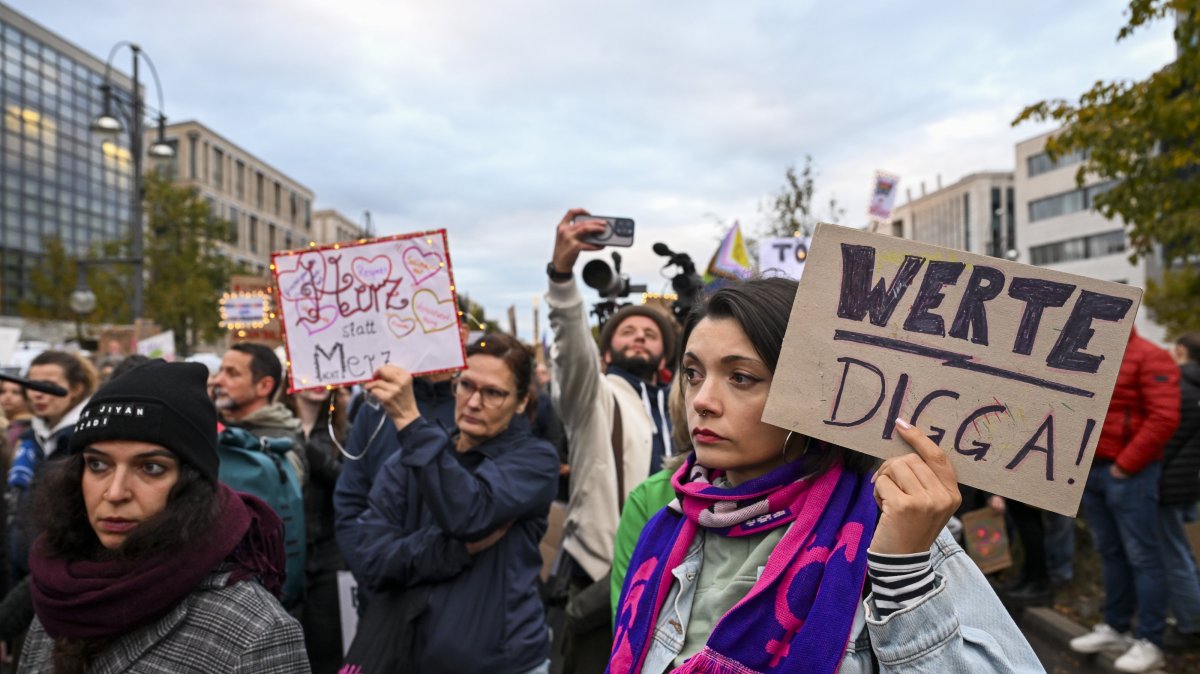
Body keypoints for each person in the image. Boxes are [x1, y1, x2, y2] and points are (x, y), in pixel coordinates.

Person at [608, 277, 1042, 673]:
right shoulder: (668, 526)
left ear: (811, 392)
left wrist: (903, 576)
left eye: (741, 377)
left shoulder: (892, 532)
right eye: (692, 373)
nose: (702, 399)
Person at [17, 359, 309, 673]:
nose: (115, 492)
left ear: (191, 483)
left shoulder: (255, 629)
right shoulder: (59, 593)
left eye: (151, 468)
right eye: (98, 465)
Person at [349, 333, 559, 673]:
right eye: (466, 385)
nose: (474, 402)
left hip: (501, 664)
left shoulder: (535, 459)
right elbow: (371, 560)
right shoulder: (411, 458)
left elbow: (467, 513)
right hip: (407, 655)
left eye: (493, 393)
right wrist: (454, 550)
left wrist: (409, 421)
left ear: (521, 402)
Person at [545, 208, 677, 671]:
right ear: (606, 349)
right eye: (628, 331)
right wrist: (562, 276)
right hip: (600, 585)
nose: (640, 337)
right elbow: (572, 351)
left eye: (650, 333)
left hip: (675, 589)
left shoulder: (682, 405)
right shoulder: (594, 397)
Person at [1069, 328, 1180, 673]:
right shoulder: (1086, 349)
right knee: (1111, 552)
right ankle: (1117, 628)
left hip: (1129, 473)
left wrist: (1125, 465)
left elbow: (1164, 417)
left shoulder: (1150, 355)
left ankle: (1150, 640)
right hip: (1095, 469)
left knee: (1143, 556)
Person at [9, 352, 98, 585]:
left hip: (61, 575)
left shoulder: (91, 440)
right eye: (31, 384)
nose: (37, 393)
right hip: (20, 565)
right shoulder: (29, 437)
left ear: (76, 388)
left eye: (48, 385)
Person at [282, 385, 349, 674]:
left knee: (326, 646)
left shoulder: (344, 432)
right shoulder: (275, 426)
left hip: (328, 553)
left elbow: (353, 487)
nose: (318, 383)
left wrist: (314, 455)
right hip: (285, 554)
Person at [211, 342, 308, 487]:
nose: (217, 380)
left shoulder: (282, 440)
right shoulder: (211, 425)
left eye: (232, 373)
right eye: (220, 371)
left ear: (264, 386)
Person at [1158, 333, 1200, 649]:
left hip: (1169, 484)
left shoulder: (1180, 389)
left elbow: (1165, 441)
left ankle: (1189, 625)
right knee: (1188, 551)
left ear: (1183, 351)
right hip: (1191, 484)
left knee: (1175, 555)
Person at [0, 381, 33, 468]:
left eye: (15, 393)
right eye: (2, 392)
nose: (7, 396)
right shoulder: (6, 423)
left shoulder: (29, 426)